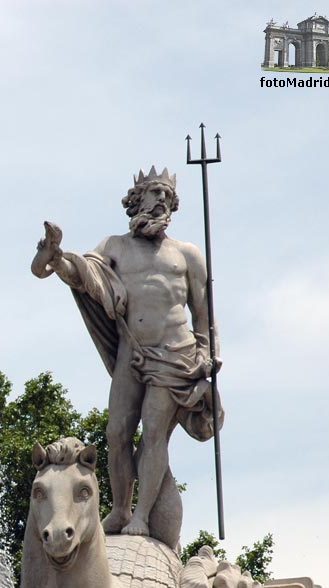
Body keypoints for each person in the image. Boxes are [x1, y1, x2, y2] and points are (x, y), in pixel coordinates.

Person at [31, 167, 221, 549]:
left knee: (153, 434)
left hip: (175, 355)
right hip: (131, 352)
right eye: (154, 195)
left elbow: (204, 314)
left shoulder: (187, 254)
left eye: (166, 197)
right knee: (116, 434)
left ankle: (140, 516)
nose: (161, 202)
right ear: (136, 201)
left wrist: (210, 354)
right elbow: (85, 273)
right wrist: (55, 256)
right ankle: (120, 509)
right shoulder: (114, 246)